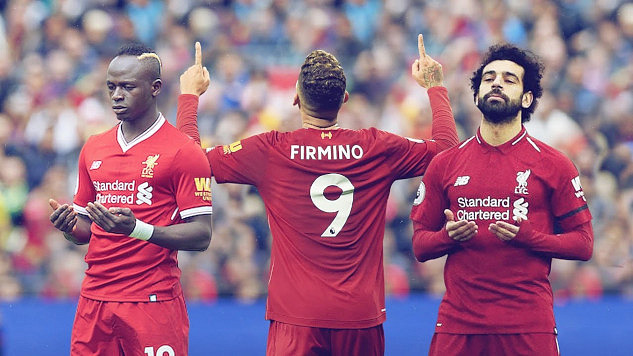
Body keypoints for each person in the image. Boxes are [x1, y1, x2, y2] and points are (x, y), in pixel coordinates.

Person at [177, 35, 458, 355]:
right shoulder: (377, 147)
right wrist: (435, 87)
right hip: (360, 315)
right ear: (345, 99)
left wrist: (189, 96)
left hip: (296, 318)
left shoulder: (270, 150)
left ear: (296, 98)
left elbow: (190, 161)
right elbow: (448, 152)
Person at [410, 43, 594, 355]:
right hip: (459, 324)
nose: (496, 82)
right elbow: (420, 247)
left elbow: (584, 244)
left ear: (526, 98)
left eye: (509, 79)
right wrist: (447, 237)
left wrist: (530, 238)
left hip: (527, 325)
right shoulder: (446, 163)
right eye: (488, 77)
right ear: (476, 94)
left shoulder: (553, 164)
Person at [49, 42, 213, 356]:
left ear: (155, 88)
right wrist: (70, 227)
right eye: (111, 86)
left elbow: (201, 235)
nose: (116, 95)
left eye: (127, 87)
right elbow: (85, 232)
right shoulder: (94, 147)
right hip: (94, 301)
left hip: (152, 302)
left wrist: (138, 229)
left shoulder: (182, 150)